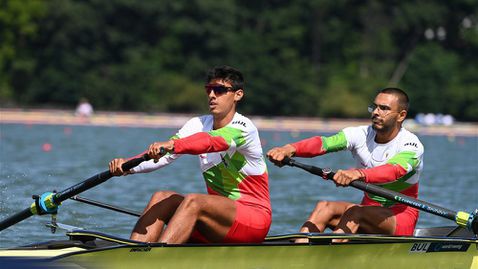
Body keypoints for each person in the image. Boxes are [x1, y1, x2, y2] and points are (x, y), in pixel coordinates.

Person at [109, 66, 271, 244]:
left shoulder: (244, 128)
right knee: (162, 197)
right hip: (217, 220)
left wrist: (172, 144)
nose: (211, 95)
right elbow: (164, 156)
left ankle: (158, 259)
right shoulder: (197, 124)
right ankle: (134, 252)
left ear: (238, 95)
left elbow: (211, 142)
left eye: (219, 90)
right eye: (209, 89)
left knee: (195, 201)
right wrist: (128, 166)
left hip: (253, 219)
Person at [267, 88, 424, 242]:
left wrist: (359, 174)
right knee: (325, 207)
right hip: (367, 210)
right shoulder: (361, 134)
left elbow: (394, 171)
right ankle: (298, 251)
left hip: (398, 217)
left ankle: (331, 256)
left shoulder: (411, 145)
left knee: (355, 212)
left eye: (384, 109)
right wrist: (289, 149)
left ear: (401, 115)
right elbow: (325, 143)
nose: (376, 112)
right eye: (375, 106)